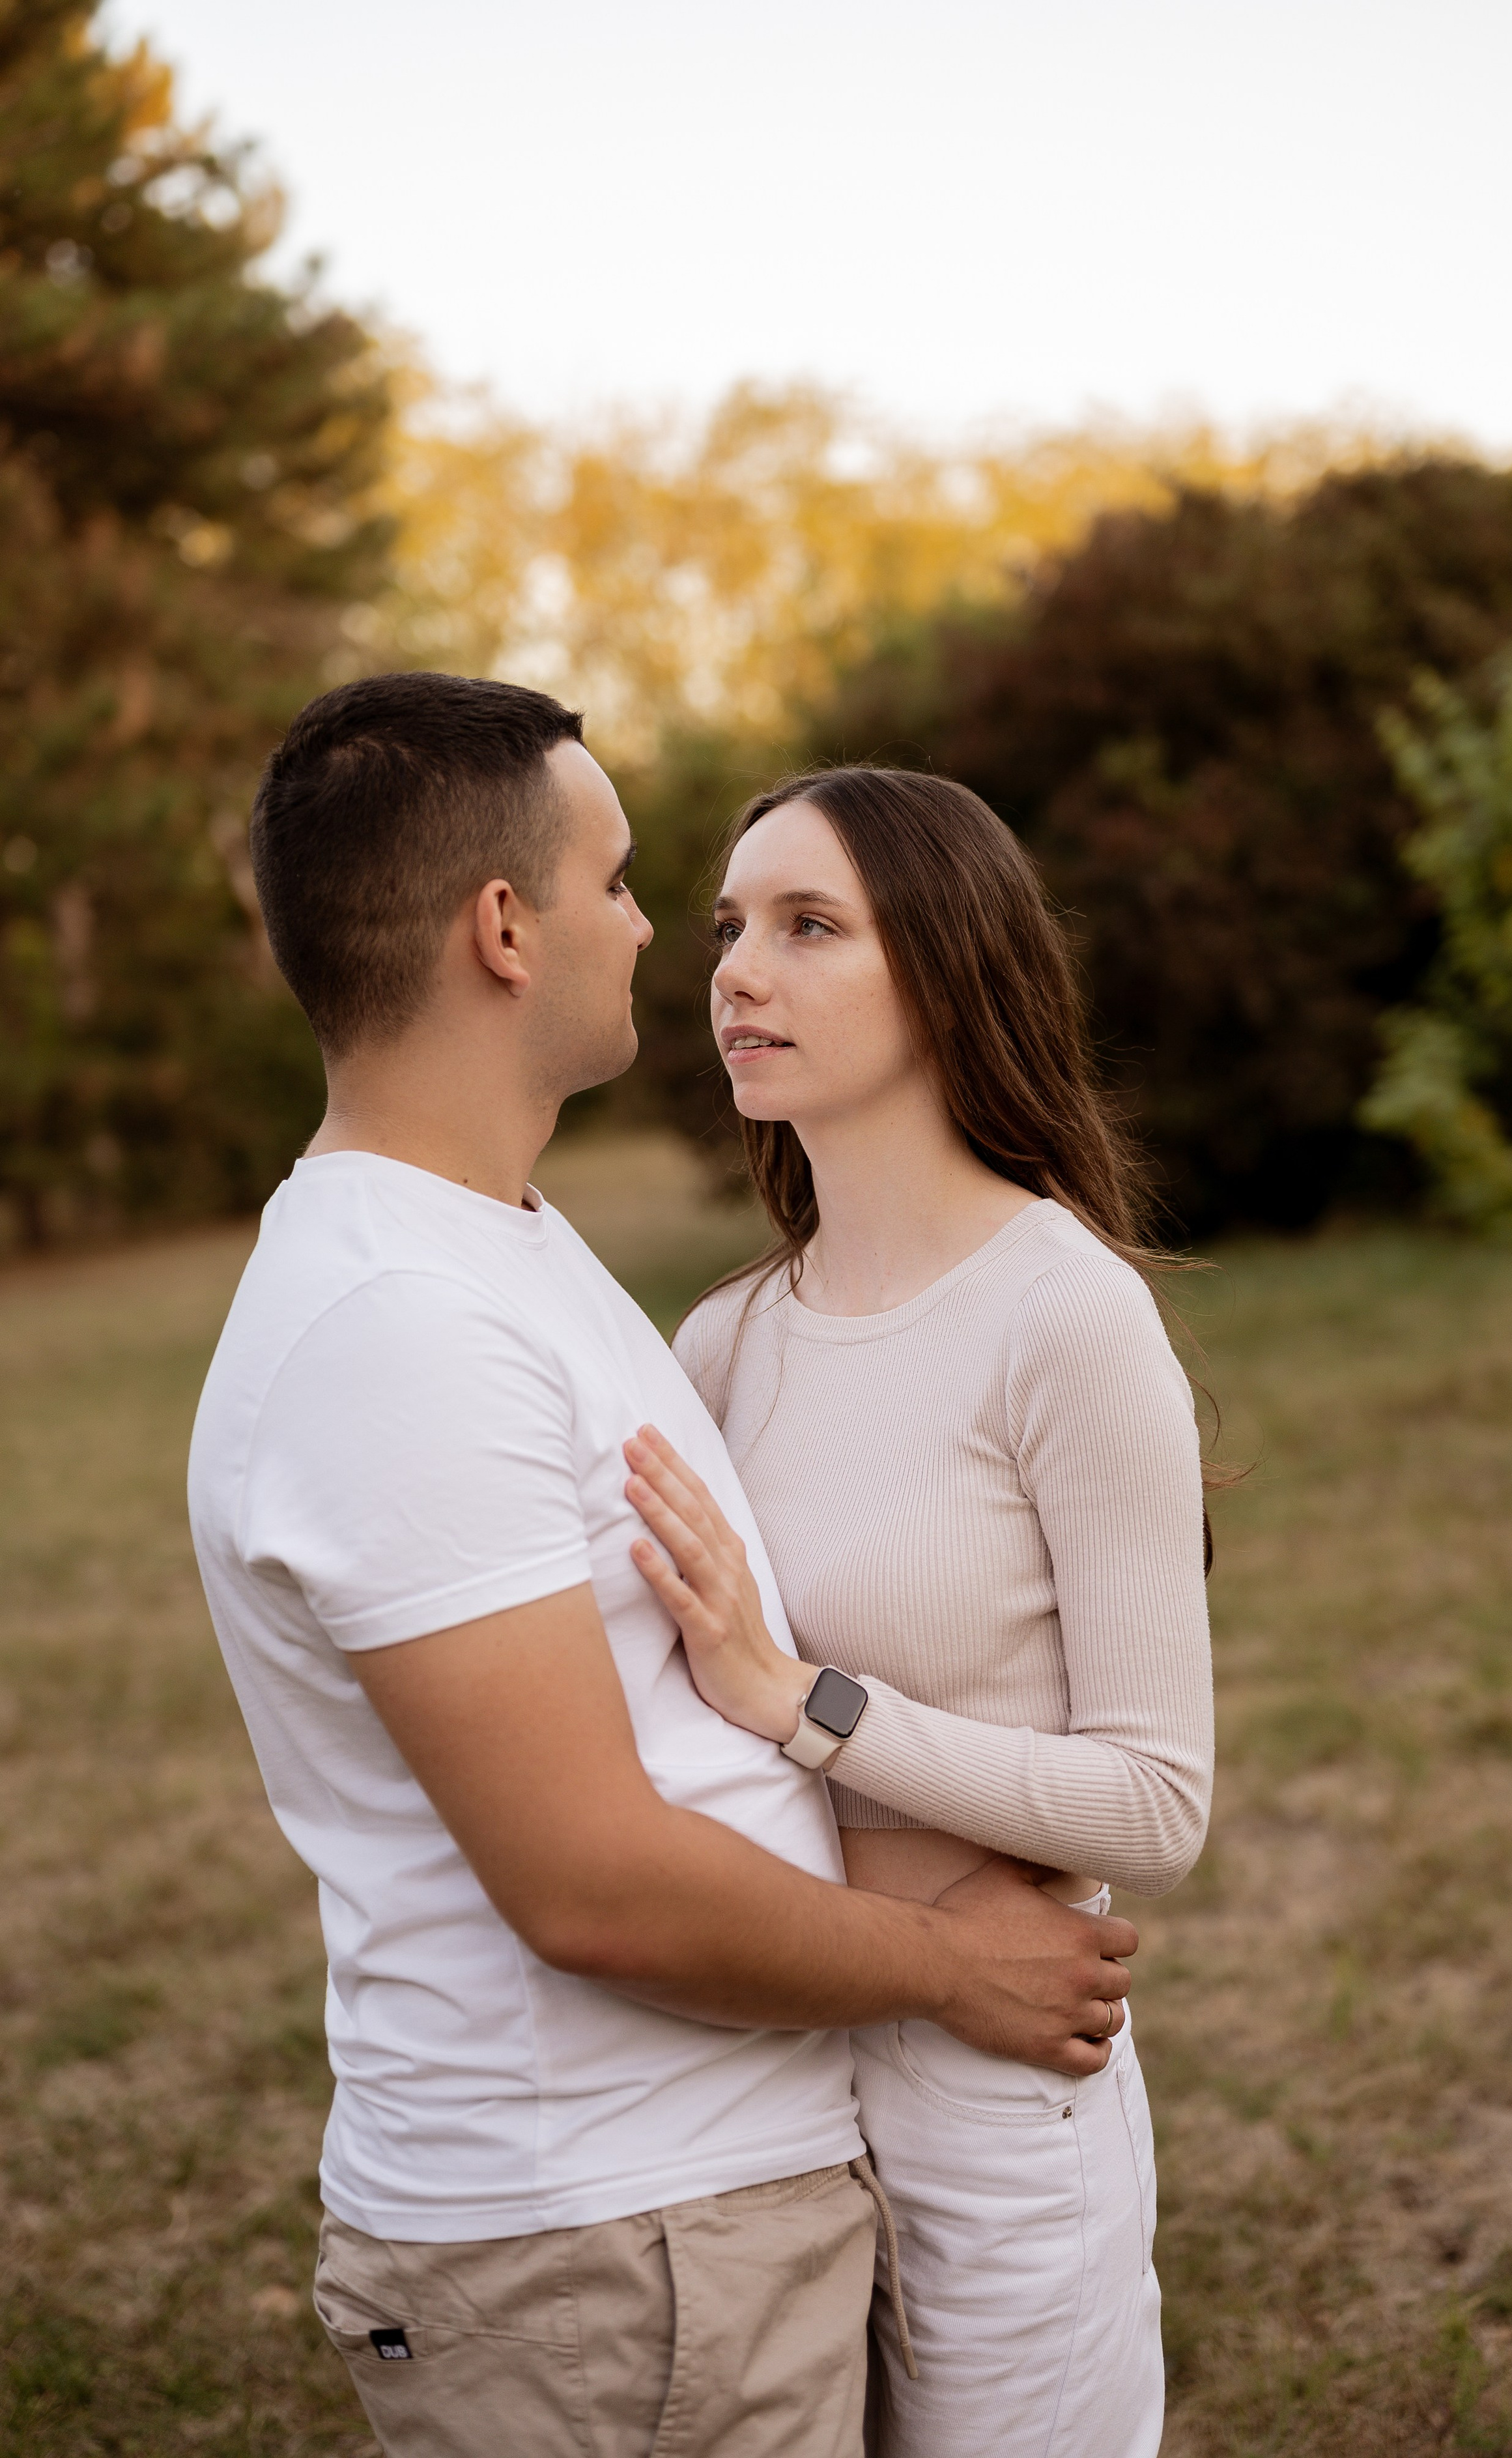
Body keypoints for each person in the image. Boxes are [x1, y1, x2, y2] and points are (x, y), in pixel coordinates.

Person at [186, 680, 1137, 2458]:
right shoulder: (403, 1322)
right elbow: (593, 1886)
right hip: (605, 2253)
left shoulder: (503, 1248)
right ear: (500, 929)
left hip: (683, 2221)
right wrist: (948, 1966)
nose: (656, 934)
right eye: (622, 884)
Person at [621, 766, 1216, 2458]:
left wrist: (805, 1697)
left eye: (811, 926)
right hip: (768, 2074)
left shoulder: (1065, 1317)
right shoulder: (722, 1343)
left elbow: (1159, 1806)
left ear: (949, 970)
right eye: (731, 925)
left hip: (998, 2087)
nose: (738, 968)